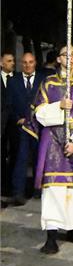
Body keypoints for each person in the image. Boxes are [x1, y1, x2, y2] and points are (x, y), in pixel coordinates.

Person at [26, 44, 73, 254]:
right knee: (55, 189)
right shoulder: (48, 83)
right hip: (54, 143)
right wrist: (58, 107)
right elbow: (38, 113)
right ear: (58, 58)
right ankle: (51, 235)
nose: (71, 58)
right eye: (67, 54)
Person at [6, 52, 48, 204]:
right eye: (24, 62)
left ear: (35, 62)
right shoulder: (13, 81)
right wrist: (18, 119)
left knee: (40, 158)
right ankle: (18, 192)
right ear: (20, 64)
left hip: (40, 127)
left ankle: (38, 190)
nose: (28, 65)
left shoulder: (43, 80)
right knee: (20, 159)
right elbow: (8, 104)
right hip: (22, 127)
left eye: (30, 62)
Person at [1, 51, 17, 199]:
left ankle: (10, 186)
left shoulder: (17, 79)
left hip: (14, 125)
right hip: (1, 125)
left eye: (13, 61)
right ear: (1, 62)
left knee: (14, 155)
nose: (12, 63)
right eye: (9, 61)